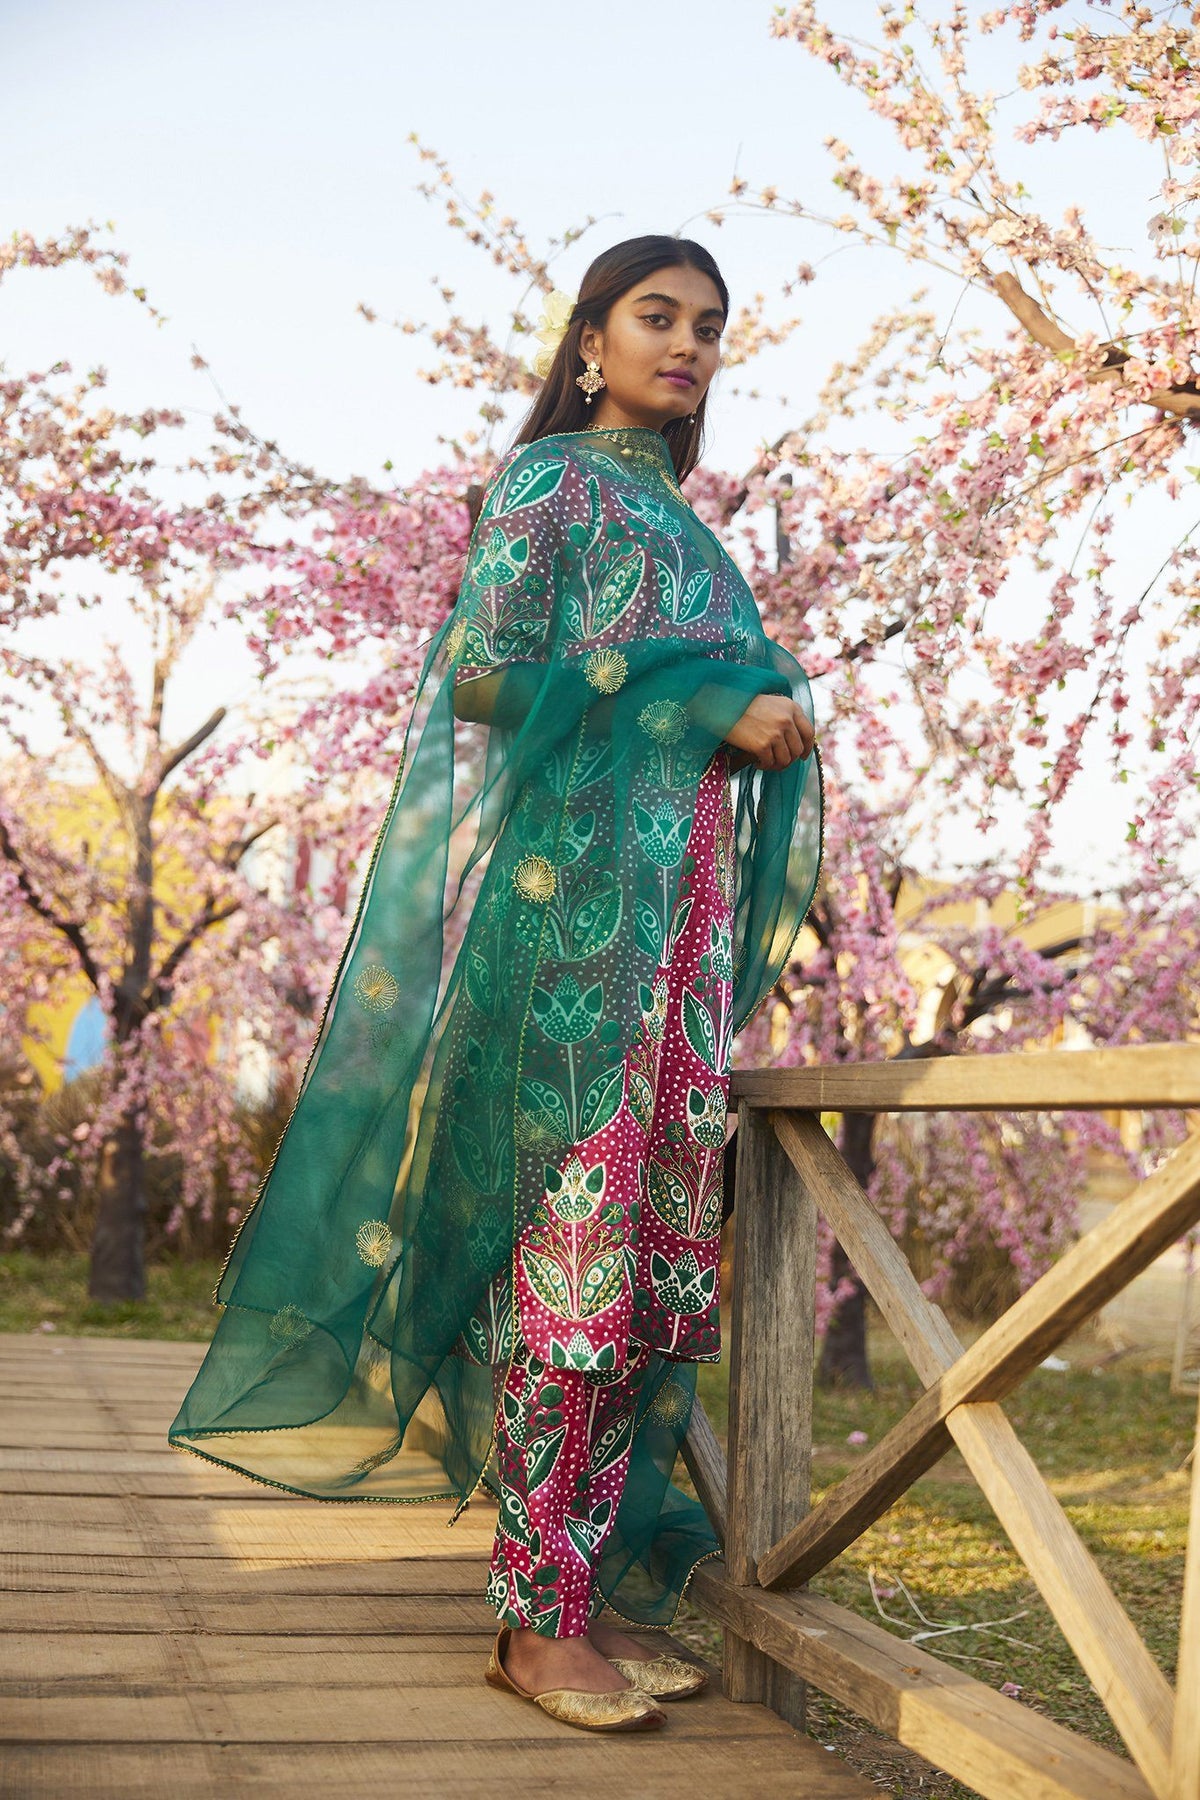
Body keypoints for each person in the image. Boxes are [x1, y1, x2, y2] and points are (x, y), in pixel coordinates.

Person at [170, 235, 823, 1735]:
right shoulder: (552, 487)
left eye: (710, 327)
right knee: (573, 1266)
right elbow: (477, 676)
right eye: (657, 316)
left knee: (644, 1280)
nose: (688, 345)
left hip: (672, 948)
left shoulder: (679, 522)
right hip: (575, 938)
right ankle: (536, 1627)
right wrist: (703, 698)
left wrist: (750, 714)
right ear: (590, 340)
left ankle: (576, 1587)